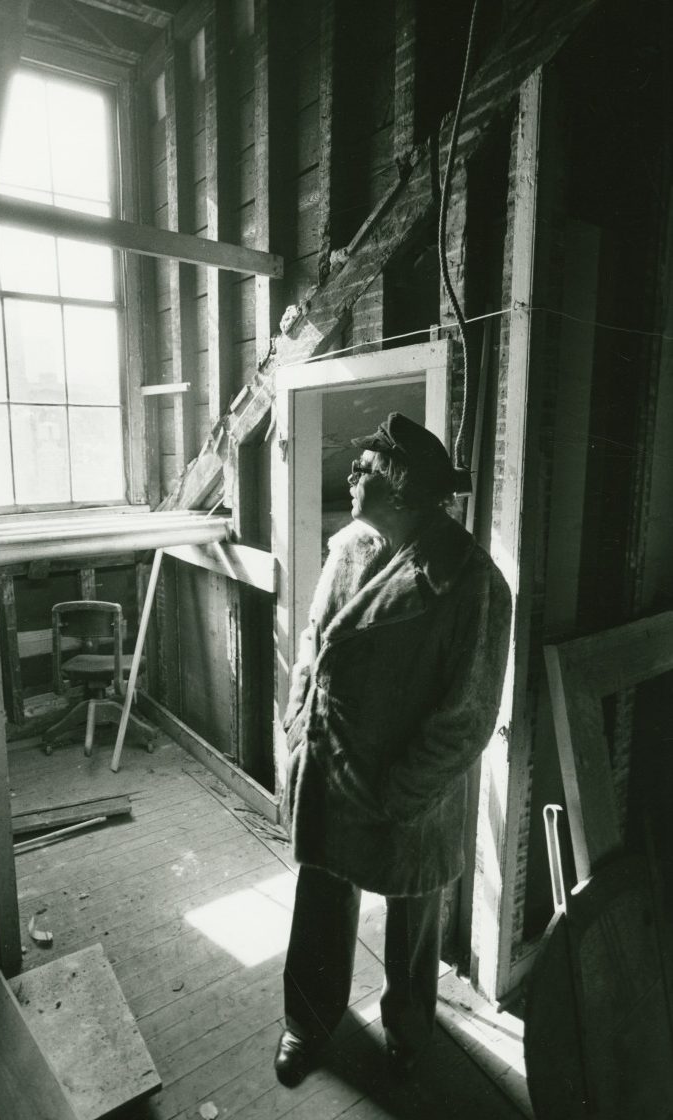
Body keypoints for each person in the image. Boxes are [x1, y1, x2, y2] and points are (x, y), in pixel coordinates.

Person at [274, 411, 512, 1088]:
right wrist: (299, 717)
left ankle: (407, 1031)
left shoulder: (471, 582)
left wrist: (400, 791)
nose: (352, 475)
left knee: (413, 915)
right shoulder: (349, 546)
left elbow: (467, 717)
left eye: (367, 468)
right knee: (321, 895)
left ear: (402, 489)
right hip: (332, 761)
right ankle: (307, 1021)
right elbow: (314, 638)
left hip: (407, 786)